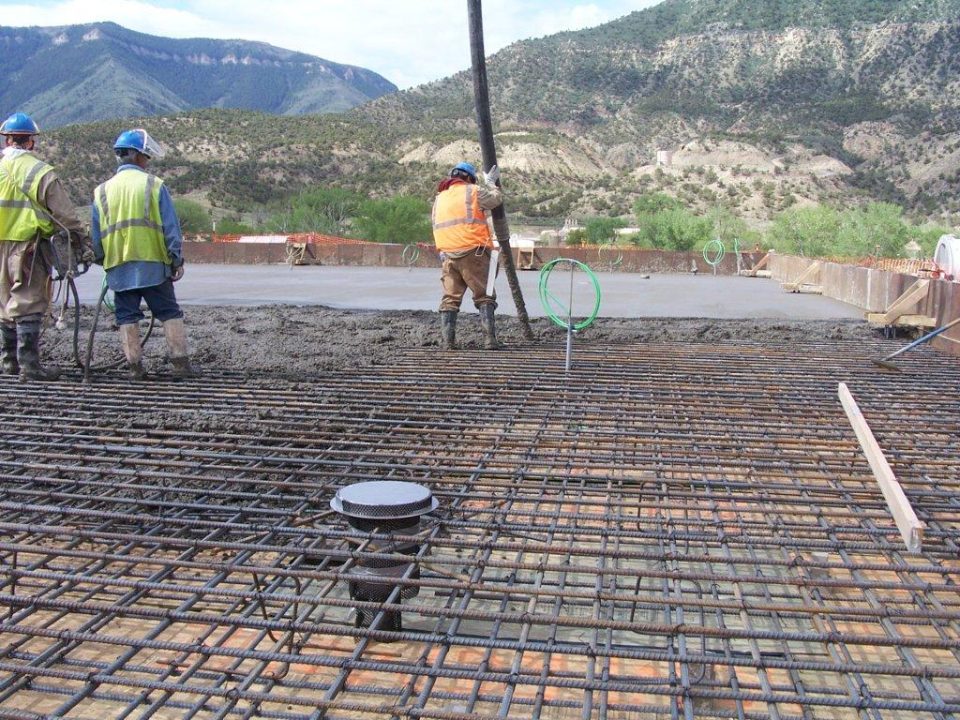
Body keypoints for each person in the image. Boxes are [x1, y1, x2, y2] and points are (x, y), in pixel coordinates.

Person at [92, 128, 196, 380]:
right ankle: (180, 364)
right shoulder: (154, 185)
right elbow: (171, 228)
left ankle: (135, 367)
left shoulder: (101, 191)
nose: (148, 161)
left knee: (126, 315)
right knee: (169, 311)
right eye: (146, 156)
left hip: (119, 265)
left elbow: (96, 236)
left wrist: (102, 260)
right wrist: (176, 259)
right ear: (138, 156)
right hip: (153, 264)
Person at [0, 112, 90, 381]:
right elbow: (64, 214)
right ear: (31, 142)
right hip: (29, 247)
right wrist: (80, 239)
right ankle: (29, 366)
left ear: (7, 140)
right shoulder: (41, 172)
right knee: (29, 301)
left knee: (4, 303)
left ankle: (8, 363)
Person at [431, 161, 503, 350]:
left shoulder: (440, 198)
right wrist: (490, 183)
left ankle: (448, 343)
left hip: (447, 254)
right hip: (473, 252)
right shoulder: (473, 191)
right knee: (485, 295)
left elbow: (435, 224)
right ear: (469, 178)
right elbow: (495, 200)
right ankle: (489, 340)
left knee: (450, 298)